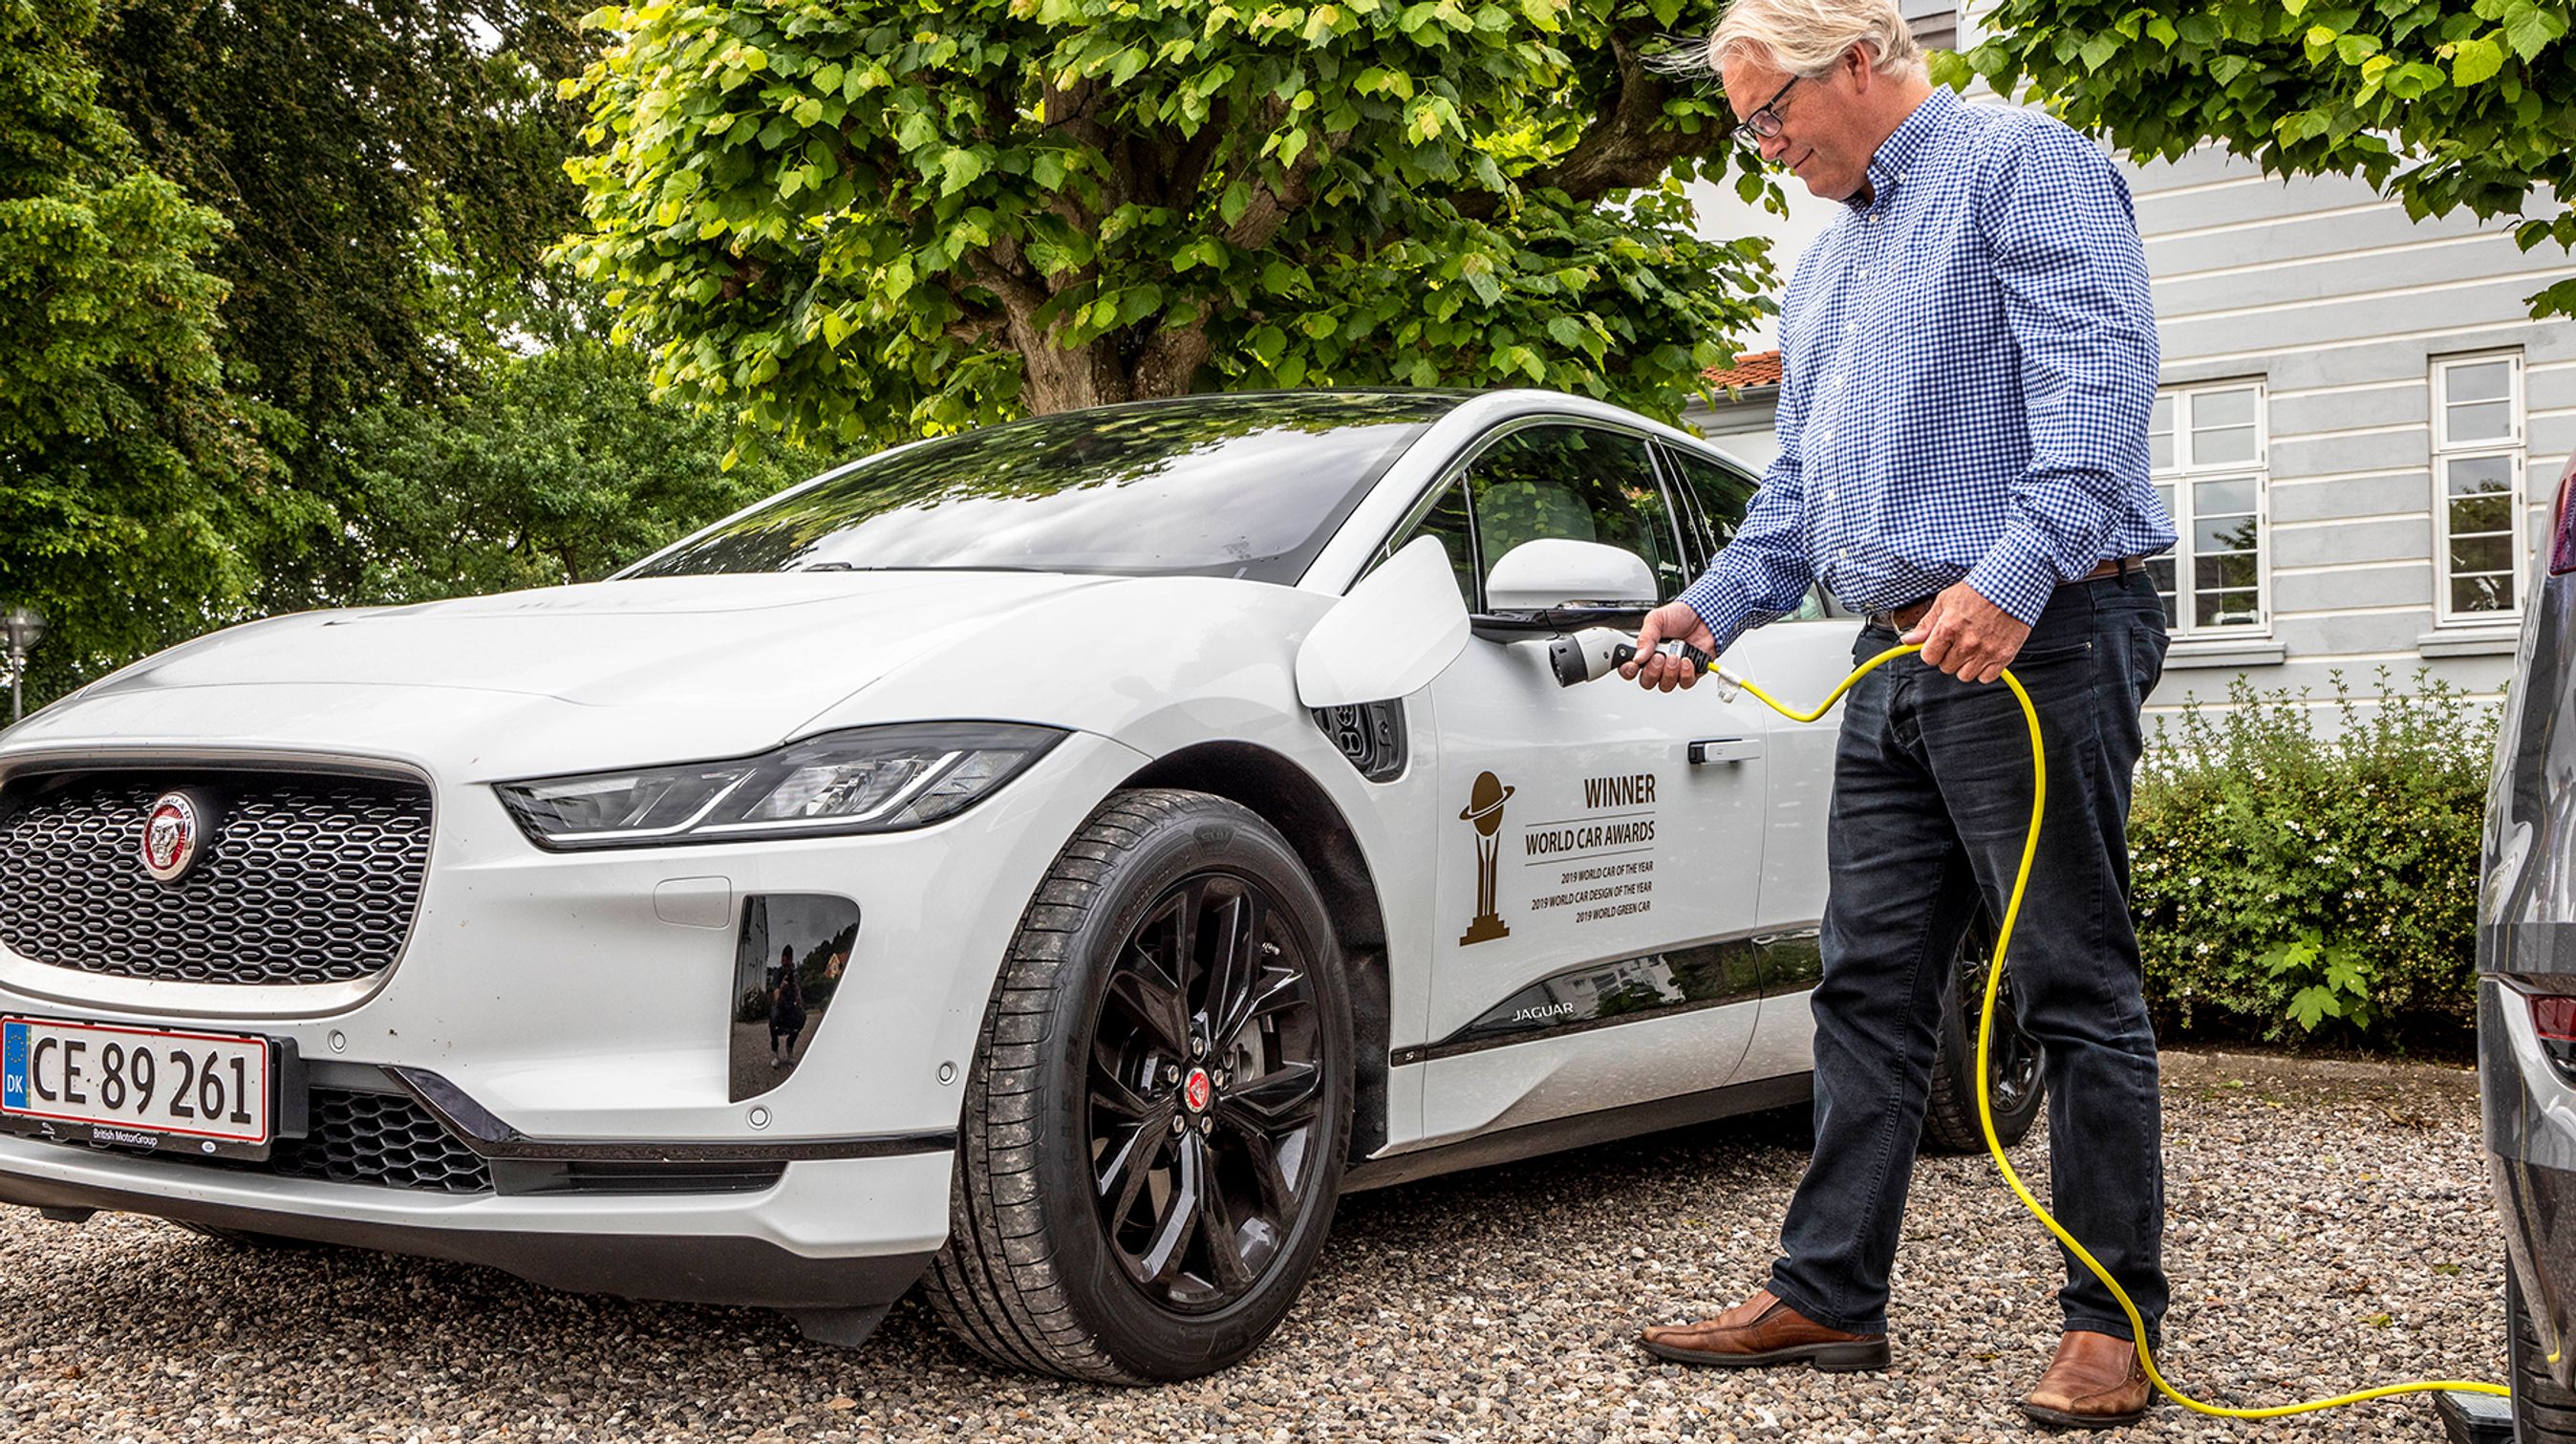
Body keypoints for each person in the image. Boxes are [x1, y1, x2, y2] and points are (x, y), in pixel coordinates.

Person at [1624, 0, 2177, 1429]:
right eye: (1744, 126)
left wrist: (2010, 579)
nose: (1763, 148)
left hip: (2038, 634)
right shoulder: (1827, 266)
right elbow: (1797, 496)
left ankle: (2111, 1318)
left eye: (1769, 115)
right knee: (1867, 980)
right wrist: (1711, 608)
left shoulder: (2023, 166)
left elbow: (2100, 398)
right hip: (1899, 651)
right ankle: (1827, 1291)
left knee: (2068, 978)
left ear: (1855, 62)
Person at [769, 945, 807, 1067]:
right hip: (780, 1006)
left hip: (791, 1007)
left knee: (802, 1016)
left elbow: (800, 1001)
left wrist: (796, 989)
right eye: (783, 961)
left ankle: (790, 1046)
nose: (785, 965)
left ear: (791, 961)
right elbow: (776, 999)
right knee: (774, 1016)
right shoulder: (778, 973)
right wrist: (781, 987)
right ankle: (775, 1051)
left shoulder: (795, 975)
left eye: (787, 962)